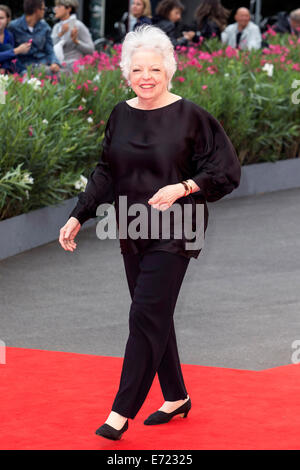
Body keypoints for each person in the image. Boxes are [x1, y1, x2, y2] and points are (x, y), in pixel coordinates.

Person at [59, 24, 241, 441]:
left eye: (154, 69)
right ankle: (176, 395)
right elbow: (106, 171)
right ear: (126, 73)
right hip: (132, 226)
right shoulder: (121, 114)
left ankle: (120, 413)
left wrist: (183, 187)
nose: (146, 77)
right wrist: (79, 214)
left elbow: (226, 170)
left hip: (179, 227)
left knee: (144, 314)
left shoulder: (192, 116)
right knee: (154, 313)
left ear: (170, 70)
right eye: (138, 69)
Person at [7, 0, 61, 77]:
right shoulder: (13, 27)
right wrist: (22, 70)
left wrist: (54, 62)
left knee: (63, 74)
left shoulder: (45, 27)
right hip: (23, 65)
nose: (44, 11)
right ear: (37, 10)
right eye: (43, 9)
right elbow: (10, 52)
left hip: (42, 63)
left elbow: (50, 50)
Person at [51, 0, 95, 70]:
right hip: (58, 67)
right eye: (55, 6)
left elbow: (91, 50)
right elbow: (51, 46)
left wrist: (76, 42)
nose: (55, 9)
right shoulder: (57, 27)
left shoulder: (77, 25)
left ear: (68, 9)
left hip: (74, 69)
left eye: (59, 6)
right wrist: (61, 33)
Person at [0, 4, 32, 74]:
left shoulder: (9, 35)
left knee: (7, 48)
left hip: (5, 69)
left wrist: (3, 67)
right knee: (8, 47)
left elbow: (9, 57)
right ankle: (23, 72)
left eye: (1, 18)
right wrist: (16, 51)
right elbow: (11, 53)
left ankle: (23, 74)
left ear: (8, 19)